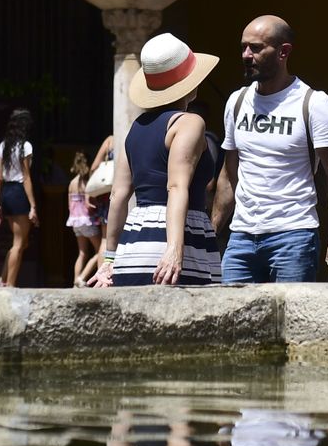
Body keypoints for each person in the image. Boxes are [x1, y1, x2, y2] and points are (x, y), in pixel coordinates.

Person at [211, 15, 328, 282]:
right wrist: (212, 231)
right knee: (232, 320)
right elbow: (229, 176)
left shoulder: (313, 103)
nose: (246, 55)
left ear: (283, 52)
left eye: (256, 48)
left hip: (293, 236)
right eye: (243, 47)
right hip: (241, 237)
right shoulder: (237, 102)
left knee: (290, 321)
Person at [90, 33, 221, 287]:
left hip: (133, 243)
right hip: (181, 238)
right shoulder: (189, 123)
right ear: (189, 83)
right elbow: (176, 186)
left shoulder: (135, 129)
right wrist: (174, 248)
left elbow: (117, 196)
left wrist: (109, 258)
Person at [0, 108, 39, 287]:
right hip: (19, 192)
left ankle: (1, 280)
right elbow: (26, 176)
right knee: (19, 244)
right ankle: (10, 285)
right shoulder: (25, 146)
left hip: (6, 192)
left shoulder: (3, 146)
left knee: (20, 242)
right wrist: (33, 205)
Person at [65, 151, 102, 287]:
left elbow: (69, 205)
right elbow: (90, 204)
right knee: (99, 251)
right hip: (87, 221)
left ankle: (76, 282)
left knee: (82, 253)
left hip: (75, 221)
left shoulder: (71, 183)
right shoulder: (86, 183)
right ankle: (82, 277)